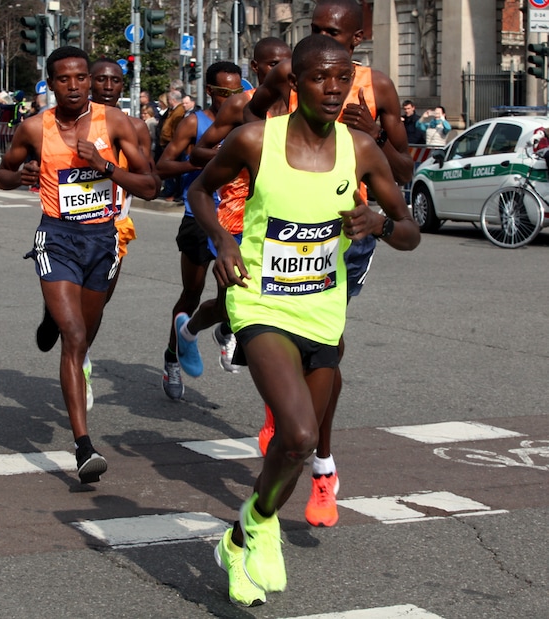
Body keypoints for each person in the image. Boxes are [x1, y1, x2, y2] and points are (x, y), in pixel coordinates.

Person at [189, 34, 419, 608]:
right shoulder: (254, 140)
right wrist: (222, 239)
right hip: (261, 302)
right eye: (321, 78)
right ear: (295, 83)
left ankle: (241, 535)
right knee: (296, 434)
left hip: (323, 309)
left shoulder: (360, 149)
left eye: (343, 78)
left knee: (296, 450)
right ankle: (260, 524)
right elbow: (198, 190)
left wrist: (380, 224)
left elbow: (410, 233)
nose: (334, 89)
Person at [245, 0, 415, 529]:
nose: (322, 38)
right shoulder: (287, 72)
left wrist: (376, 135)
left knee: (327, 351)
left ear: (357, 38)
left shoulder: (376, 87)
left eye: (333, 33)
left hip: (349, 229)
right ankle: (292, 422)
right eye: (315, 30)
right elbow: (247, 121)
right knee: (284, 340)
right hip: (282, 219)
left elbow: (405, 170)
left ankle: (320, 458)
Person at [0, 46, 157, 484]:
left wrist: (105, 165)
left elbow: (151, 185)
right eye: (64, 79)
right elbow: (2, 174)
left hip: (103, 239)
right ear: (50, 84)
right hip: (57, 237)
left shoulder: (116, 123)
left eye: (81, 78)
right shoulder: (34, 128)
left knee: (84, 334)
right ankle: (84, 446)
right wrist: (20, 177)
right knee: (75, 336)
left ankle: (54, 311)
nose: (74, 86)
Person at [33, 57, 157, 404]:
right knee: (71, 310)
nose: (107, 86)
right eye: (100, 79)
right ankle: (75, 353)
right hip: (67, 227)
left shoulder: (132, 126)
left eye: (114, 81)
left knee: (97, 304)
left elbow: (150, 179)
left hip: (114, 224)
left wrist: (106, 166)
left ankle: (79, 350)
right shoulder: (57, 124)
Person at [185, 37, 293, 375]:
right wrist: (230, 154)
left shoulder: (303, 105)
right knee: (229, 301)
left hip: (280, 214)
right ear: (256, 68)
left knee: (274, 301)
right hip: (235, 215)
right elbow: (197, 153)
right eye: (273, 64)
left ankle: (238, 336)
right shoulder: (238, 105)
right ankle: (188, 331)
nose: (282, 70)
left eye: (287, 62)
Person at [156, 62, 244, 400]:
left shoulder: (247, 123)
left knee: (232, 295)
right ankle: (172, 357)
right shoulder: (196, 122)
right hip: (198, 216)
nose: (232, 98)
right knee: (191, 293)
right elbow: (163, 166)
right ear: (210, 91)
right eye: (224, 92)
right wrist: (202, 161)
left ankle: (225, 330)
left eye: (237, 92)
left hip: (234, 220)